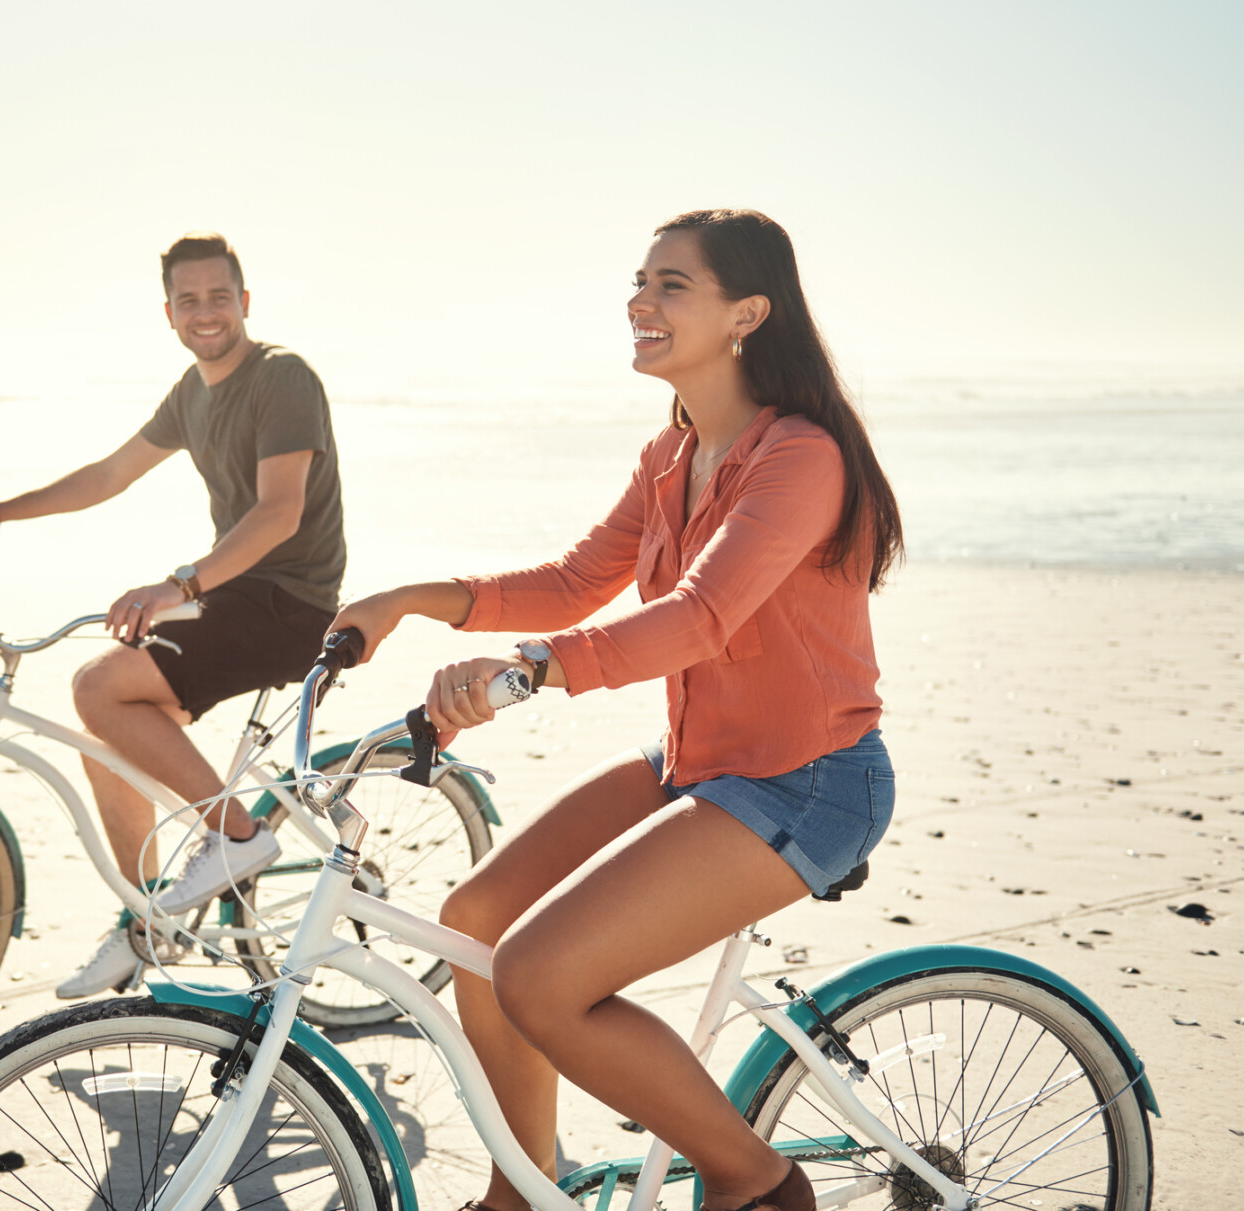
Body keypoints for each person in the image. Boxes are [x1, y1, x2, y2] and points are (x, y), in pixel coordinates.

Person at [329, 209, 901, 1211]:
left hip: (807, 780)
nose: (639, 301)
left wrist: (527, 671)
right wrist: (410, 599)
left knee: (539, 976)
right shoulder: (670, 456)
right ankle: (526, 1184)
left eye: (670, 284)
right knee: (473, 920)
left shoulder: (798, 456)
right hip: (699, 756)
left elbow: (699, 617)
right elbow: (573, 579)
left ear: (745, 314)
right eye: (638, 282)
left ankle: (755, 1181)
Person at [0, 232, 347, 999]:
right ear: (168, 313)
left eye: (219, 296)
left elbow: (279, 514)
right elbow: (110, 473)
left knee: (99, 687)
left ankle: (235, 837)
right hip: (234, 595)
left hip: (289, 601)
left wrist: (177, 585)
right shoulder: (191, 393)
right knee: (108, 733)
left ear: (245, 302)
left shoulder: (282, 376)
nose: (206, 312)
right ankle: (148, 922)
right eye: (188, 300)